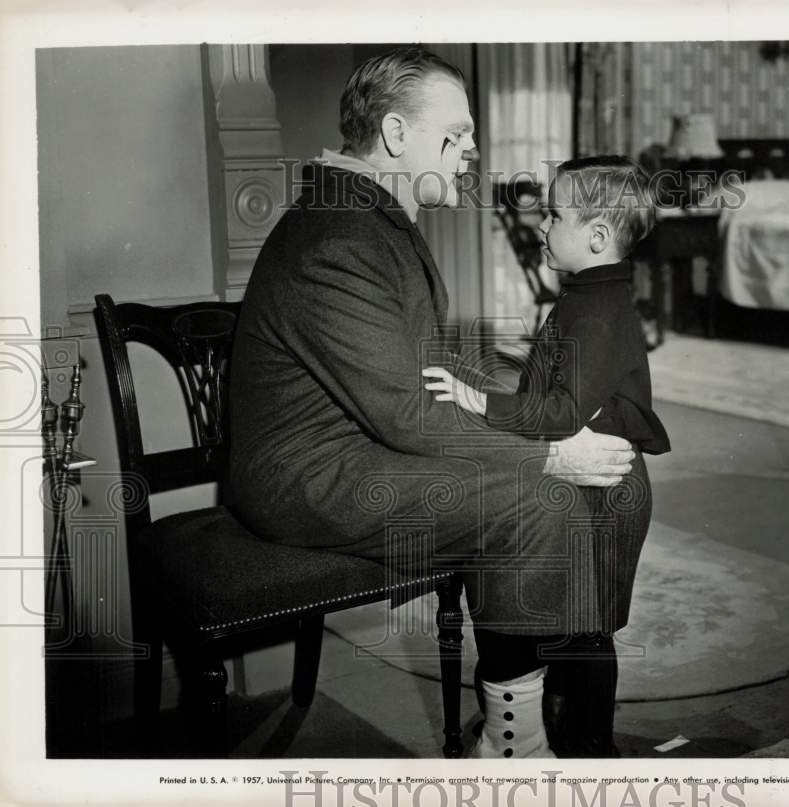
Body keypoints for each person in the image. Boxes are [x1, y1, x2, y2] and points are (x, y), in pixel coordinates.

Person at [227, 47, 635, 758]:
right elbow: (406, 414)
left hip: (359, 443)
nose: (474, 150)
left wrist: (525, 425)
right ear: (394, 136)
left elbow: (420, 383)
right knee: (538, 496)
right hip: (305, 475)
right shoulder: (339, 236)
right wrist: (550, 453)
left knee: (579, 486)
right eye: (458, 134)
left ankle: (556, 721)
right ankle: (516, 750)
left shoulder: (370, 216)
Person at [423, 156, 670, 756]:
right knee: (566, 625)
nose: (542, 224)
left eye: (555, 214)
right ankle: (558, 742)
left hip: (608, 491)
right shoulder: (585, 296)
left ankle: (593, 752)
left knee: (586, 633)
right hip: (586, 485)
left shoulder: (598, 311)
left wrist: (477, 400)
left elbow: (558, 412)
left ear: (597, 236)